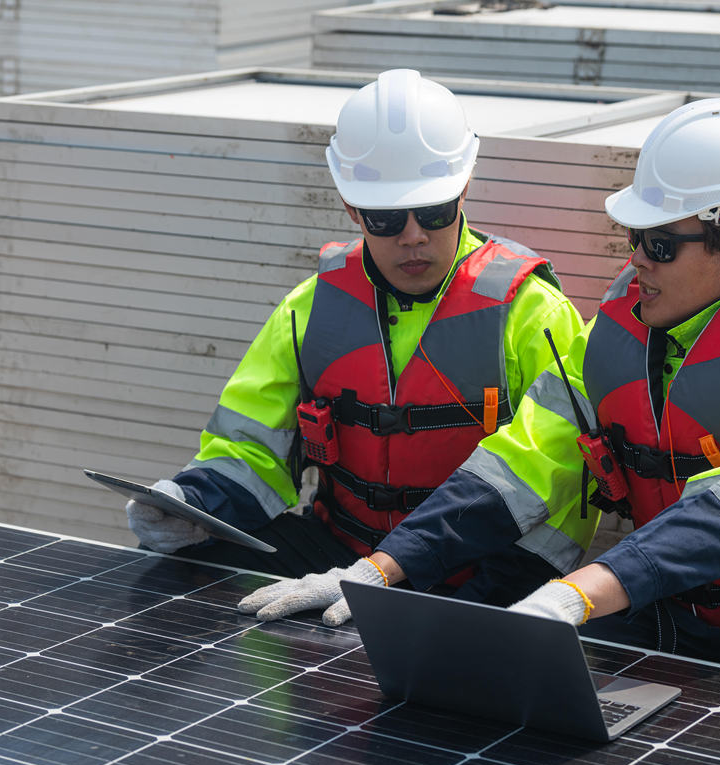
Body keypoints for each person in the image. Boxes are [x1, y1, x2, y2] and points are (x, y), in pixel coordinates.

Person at [240, 97, 720, 698]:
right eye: (634, 238)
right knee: (515, 706)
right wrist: (376, 572)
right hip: (672, 601)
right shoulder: (614, 335)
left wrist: (572, 596)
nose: (635, 261)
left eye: (659, 242)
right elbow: (518, 465)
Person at [125, 69, 590, 613]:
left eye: (435, 211)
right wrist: (189, 503)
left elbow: (551, 480)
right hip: (336, 553)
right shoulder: (309, 309)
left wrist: (427, 583)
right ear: (352, 208)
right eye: (387, 218)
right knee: (180, 570)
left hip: (485, 570)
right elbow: (249, 444)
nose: (414, 235)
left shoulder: (531, 312)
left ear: (464, 190)